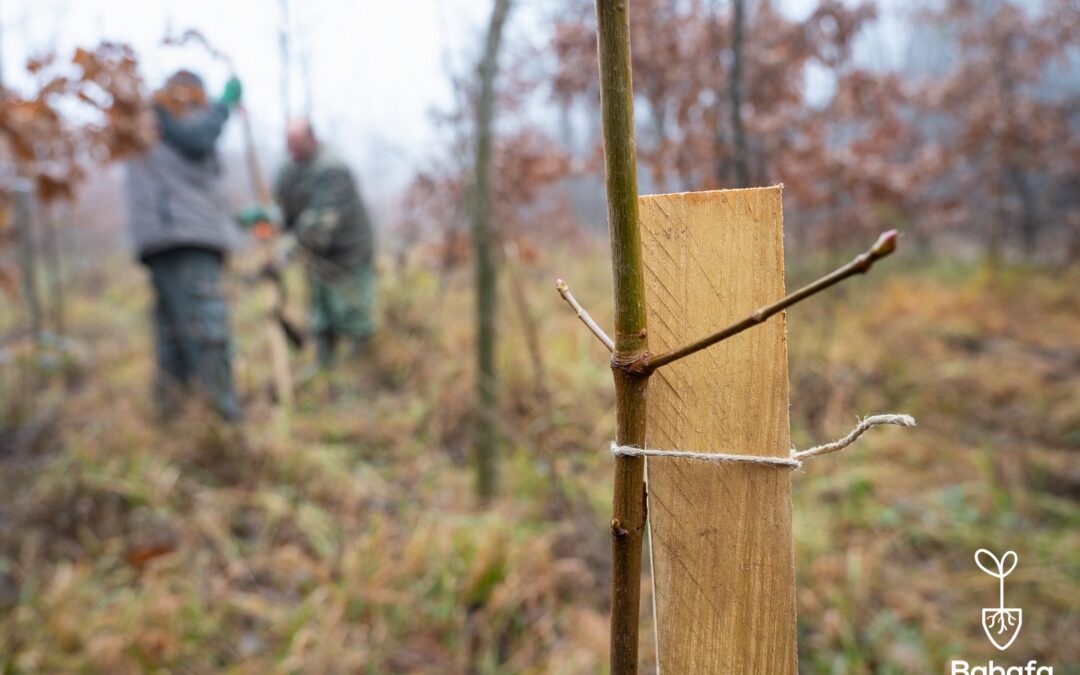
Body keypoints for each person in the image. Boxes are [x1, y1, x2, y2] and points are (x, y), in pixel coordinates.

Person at [126, 70, 244, 421]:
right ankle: (224, 427)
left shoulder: (161, 129)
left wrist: (240, 219)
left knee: (175, 338)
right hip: (183, 240)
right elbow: (199, 138)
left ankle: (177, 423)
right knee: (208, 334)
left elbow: (193, 188)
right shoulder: (170, 117)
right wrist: (225, 106)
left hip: (167, 239)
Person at [265, 118, 376, 370]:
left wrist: (288, 250)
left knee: (350, 310)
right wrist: (268, 216)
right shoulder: (290, 170)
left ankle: (358, 367)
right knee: (320, 310)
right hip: (316, 254)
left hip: (347, 251)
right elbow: (282, 206)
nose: (290, 148)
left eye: (295, 142)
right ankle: (324, 364)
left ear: (311, 139)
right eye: (287, 143)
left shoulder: (331, 168)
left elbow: (320, 219)